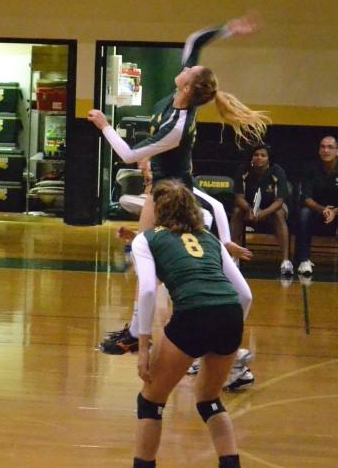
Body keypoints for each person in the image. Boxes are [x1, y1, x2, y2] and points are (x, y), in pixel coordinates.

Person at [92, 17, 267, 360]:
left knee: (151, 268)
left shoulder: (178, 125)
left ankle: (154, 337)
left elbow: (128, 154)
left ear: (189, 86)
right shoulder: (181, 93)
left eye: (192, 71)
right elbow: (195, 40)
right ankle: (137, 333)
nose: (188, 67)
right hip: (163, 189)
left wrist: (104, 125)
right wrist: (231, 28)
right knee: (149, 266)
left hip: (171, 195)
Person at [129, 180, 252, 468]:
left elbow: (147, 290)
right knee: (209, 400)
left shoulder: (146, 238)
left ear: (158, 209)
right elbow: (245, 294)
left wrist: (143, 345)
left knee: (151, 402)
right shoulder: (209, 238)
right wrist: (228, 331)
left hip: (193, 314)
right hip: (230, 315)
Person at [297, 136, 338, 282]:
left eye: (330, 147)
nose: (325, 150)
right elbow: (306, 199)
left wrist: (335, 211)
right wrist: (323, 210)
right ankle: (304, 261)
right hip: (319, 212)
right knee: (304, 214)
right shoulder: (311, 169)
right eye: (322, 147)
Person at [230, 143, 291, 278]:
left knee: (279, 214)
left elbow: (280, 201)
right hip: (249, 208)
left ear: (268, 158)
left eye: (263, 155)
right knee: (236, 212)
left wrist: (263, 213)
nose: (259, 158)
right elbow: (239, 197)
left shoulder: (277, 171)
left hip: (272, 207)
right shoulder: (243, 170)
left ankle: (286, 261)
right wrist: (249, 210)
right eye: (256, 155)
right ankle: (234, 257)